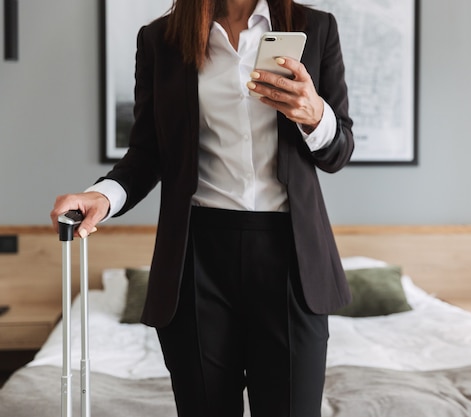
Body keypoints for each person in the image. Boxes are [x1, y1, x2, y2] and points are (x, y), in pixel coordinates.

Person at [50, 0, 353, 416]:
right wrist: (102, 196)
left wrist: (315, 115)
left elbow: (338, 153)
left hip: (291, 260)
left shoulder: (316, 28)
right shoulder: (161, 40)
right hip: (196, 260)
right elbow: (147, 152)